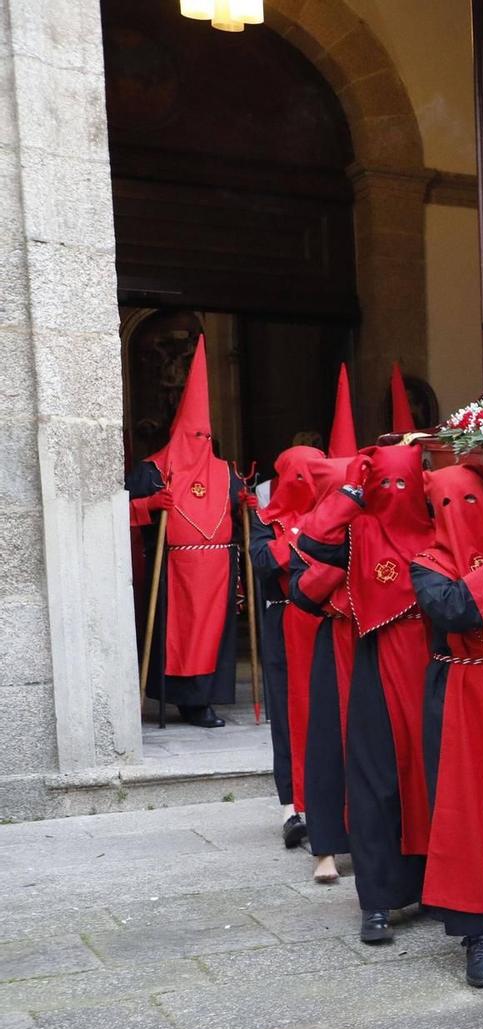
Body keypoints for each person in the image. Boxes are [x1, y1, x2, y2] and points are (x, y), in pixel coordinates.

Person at [291, 446, 434, 944]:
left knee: (432, 784)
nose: (395, 497)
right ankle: (376, 900)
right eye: (385, 486)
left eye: (404, 485)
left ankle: (438, 891)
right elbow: (314, 537)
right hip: (379, 663)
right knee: (377, 785)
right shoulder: (359, 532)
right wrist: (352, 490)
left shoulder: (440, 527)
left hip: (436, 668)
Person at [411, 464, 483, 989]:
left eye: (471, 502)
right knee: (464, 813)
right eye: (449, 504)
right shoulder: (427, 564)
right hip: (459, 694)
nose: (461, 516)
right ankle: (477, 934)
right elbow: (454, 611)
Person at [126, 336, 240, 729]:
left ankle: (205, 701)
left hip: (219, 569)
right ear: (179, 433)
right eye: (195, 436)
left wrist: (252, 506)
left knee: (214, 638)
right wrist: (148, 506)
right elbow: (114, 513)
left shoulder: (226, 471)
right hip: (174, 570)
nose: (202, 444)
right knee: (179, 637)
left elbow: (241, 501)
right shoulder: (152, 470)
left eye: (206, 437)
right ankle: (182, 701)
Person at [248, 444, 336, 851]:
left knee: (325, 713)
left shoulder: (335, 518)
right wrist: (304, 541)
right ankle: (290, 808)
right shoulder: (264, 519)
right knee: (286, 714)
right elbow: (264, 561)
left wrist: (299, 547)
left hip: (322, 624)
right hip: (282, 623)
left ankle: (330, 803)